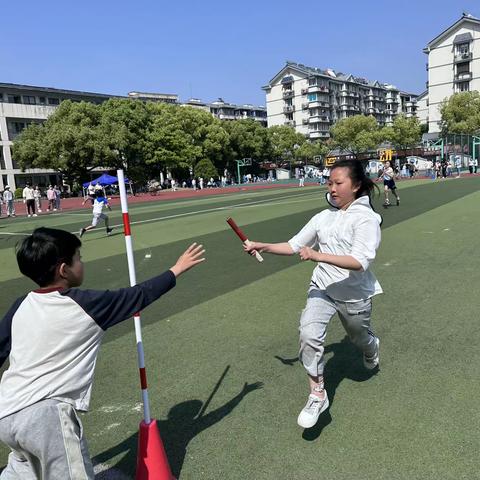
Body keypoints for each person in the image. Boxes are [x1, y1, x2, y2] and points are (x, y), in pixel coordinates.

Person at [0, 227, 205, 478]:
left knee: (20, 473)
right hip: (45, 418)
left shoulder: (21, 304)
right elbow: (138, 296)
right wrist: (177, 269)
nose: (82, 263)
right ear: (64, 269)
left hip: (7, 412)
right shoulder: (86, 305)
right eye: (78, 258)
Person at [243, 159, 382, 429]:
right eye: (330, 183)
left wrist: (317, 254)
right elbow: (294, 245)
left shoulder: (367, 218)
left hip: (354, 295)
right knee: (308, 333)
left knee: (359, 337)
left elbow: (359, 261)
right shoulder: (323, 217)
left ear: (355, 186)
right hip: (322, 289)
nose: (332, 188)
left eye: (338, 183)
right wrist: (263, 245)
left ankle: (371, 347)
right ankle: (317, 394)